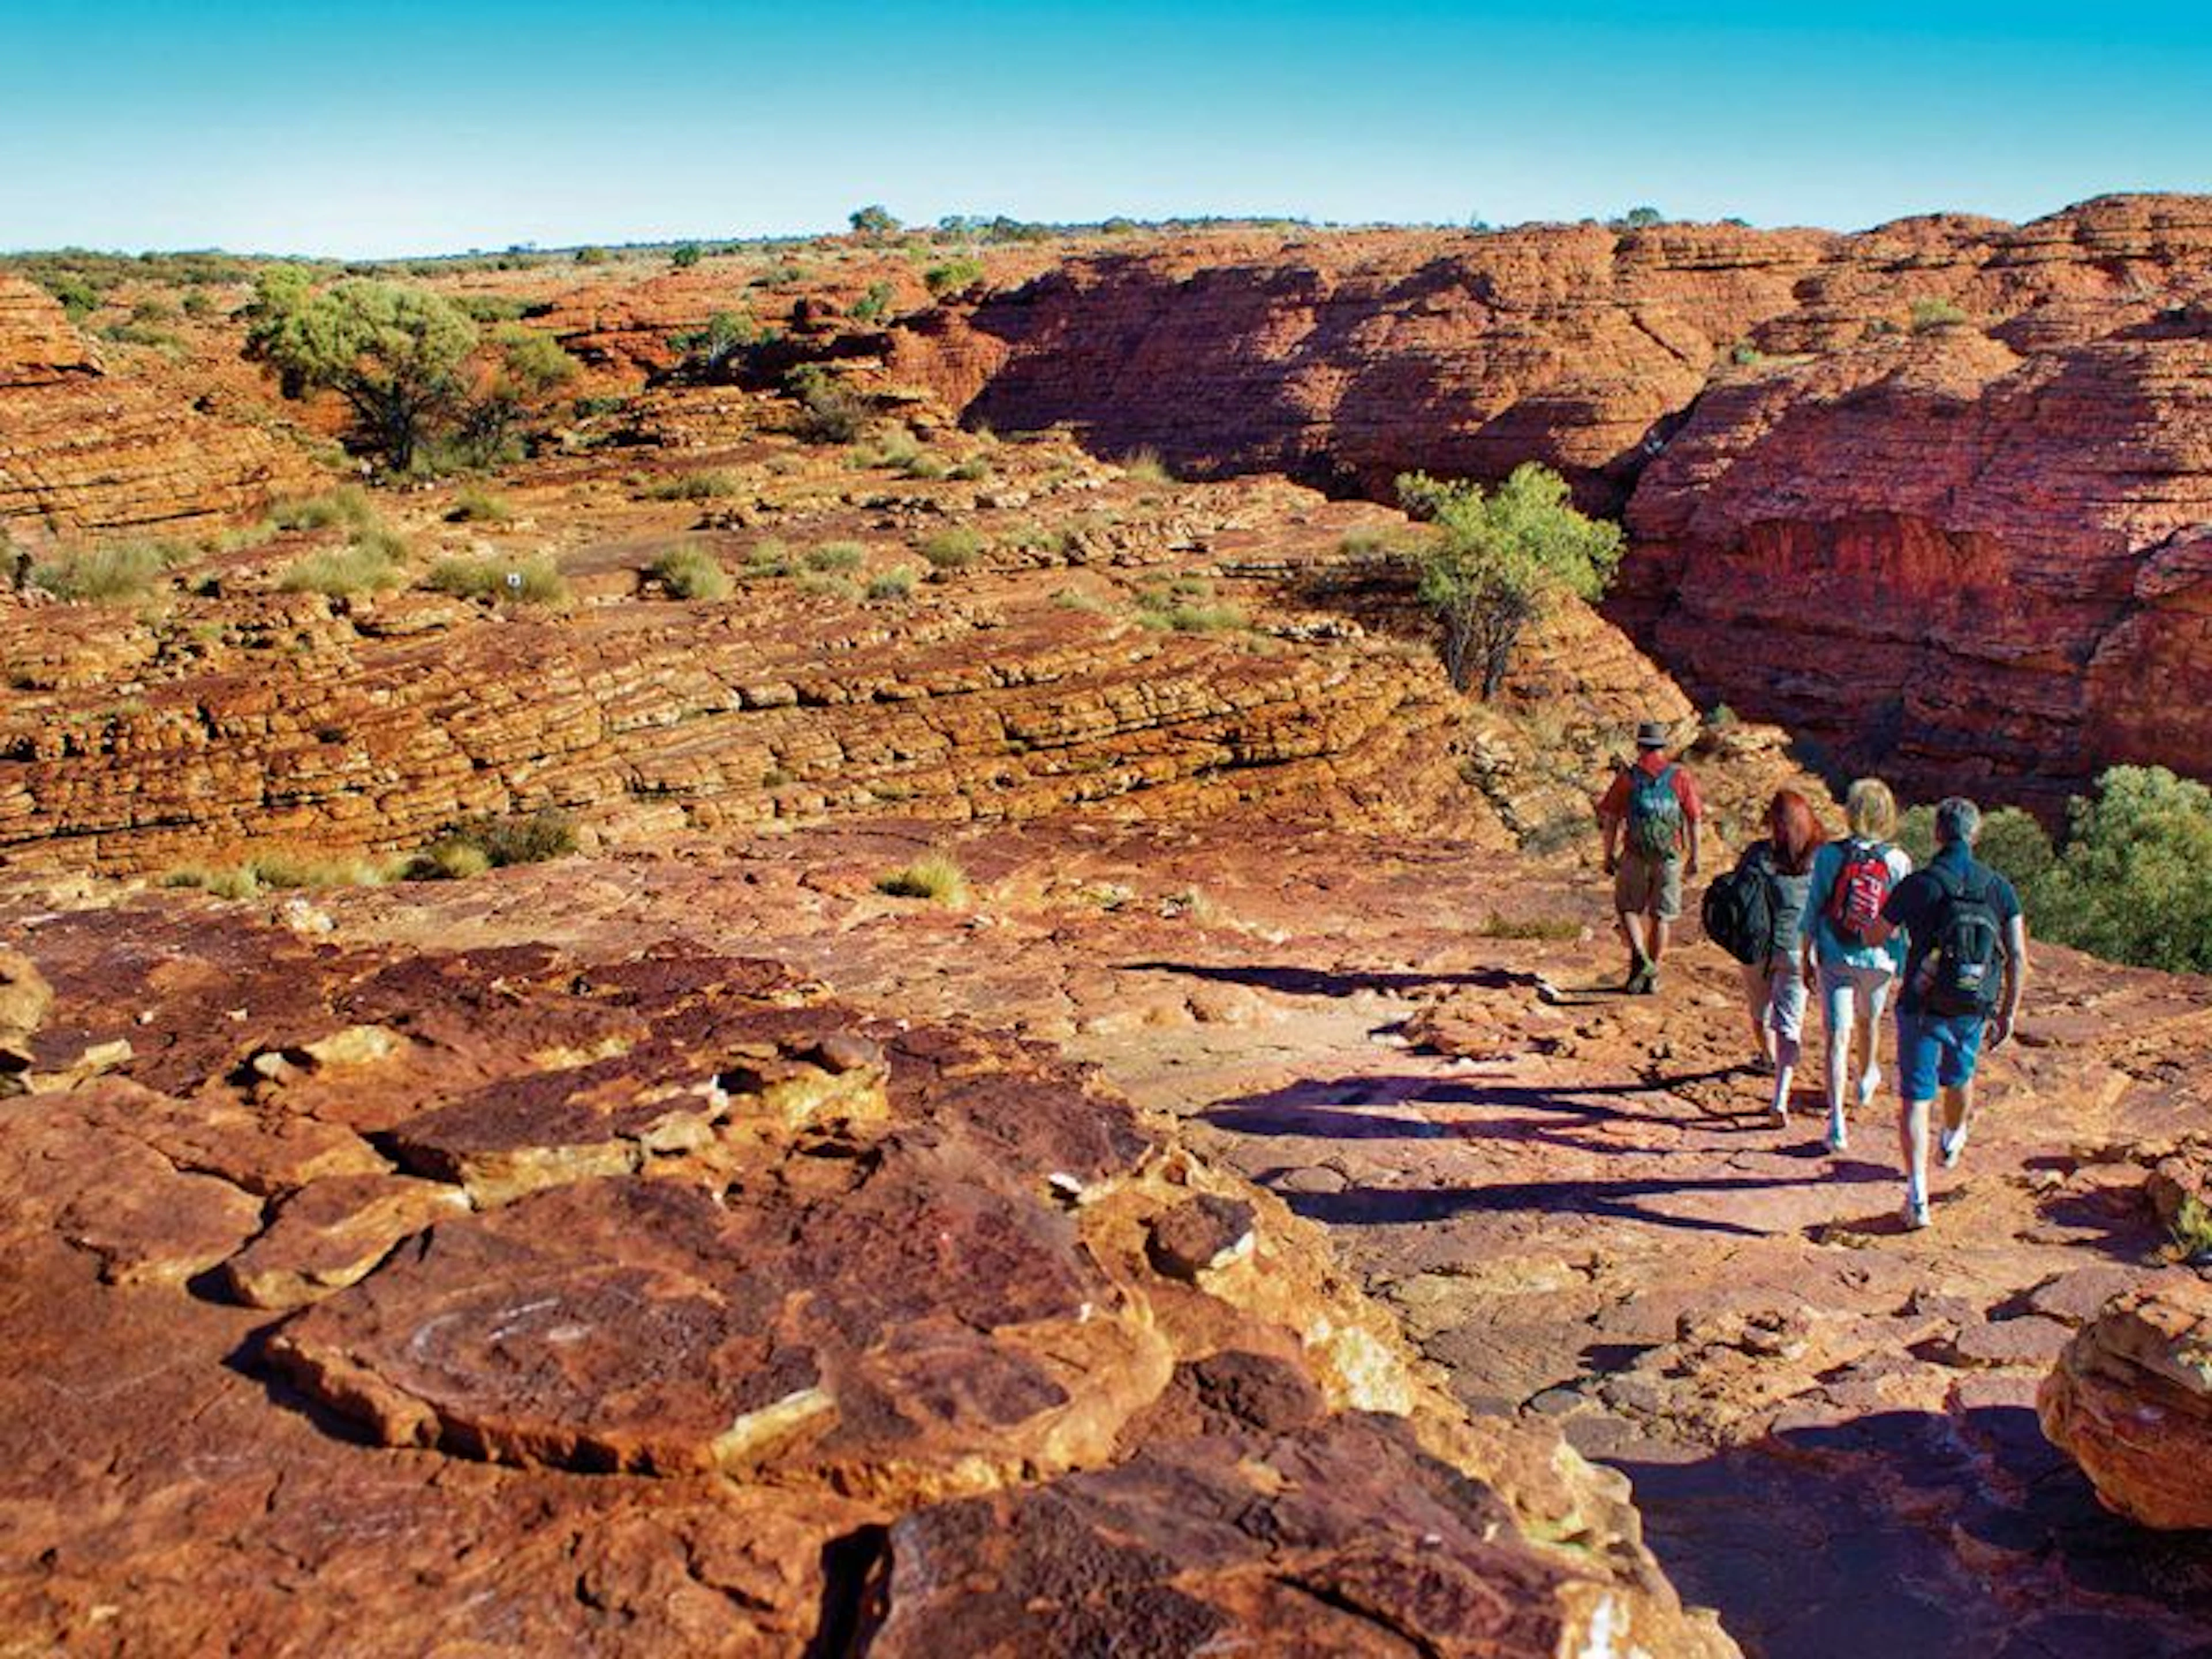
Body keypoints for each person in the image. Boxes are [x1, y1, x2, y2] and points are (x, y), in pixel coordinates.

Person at [1869, 797, 2029, 1230]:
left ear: (1938, 833)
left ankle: (1918, 1196)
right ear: (1975, 834)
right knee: (1960, 1077)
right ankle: (1954, 1137)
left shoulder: (1919, 885)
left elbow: (1874, 935)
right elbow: (2016, 954)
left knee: (1916, 1098)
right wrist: (2008, 1012)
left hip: (1921, 1004)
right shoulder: (1999, 888)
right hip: (1973, 1006)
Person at [1800, 779, 1912, 1156]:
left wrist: (1806, 955)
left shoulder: (1829, 856)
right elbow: (1903, 918)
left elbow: (1813, 908)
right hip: (1879, 959)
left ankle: (1836, 1124)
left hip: (1836, 955)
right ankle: (1866, 1078)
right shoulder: (1897, 860)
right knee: (1869, 1020)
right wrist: (1907, 962)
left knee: (1837, 1037)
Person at [1736, 790, 1824, 1127]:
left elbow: (1737, 891)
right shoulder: (1819, 859)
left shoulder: (1757, 854)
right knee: (1790, 1025)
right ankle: (1781, 1096)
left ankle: (1767, 1057)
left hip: (1755, 945)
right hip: (1796, 948)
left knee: (1760, 1012)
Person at [1597, 721, 1703, 994]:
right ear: (1662, 747)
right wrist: (1695, 857)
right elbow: (1694, 819)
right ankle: (1652, 976)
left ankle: (1641, 960)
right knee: (1661, 917)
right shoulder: (1680, 777)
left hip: (1635, 853)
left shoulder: (1629, 777)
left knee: (1628, 908)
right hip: (1669, 856)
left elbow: (1611, 819)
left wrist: (1608, 855)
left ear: (1639, 746)